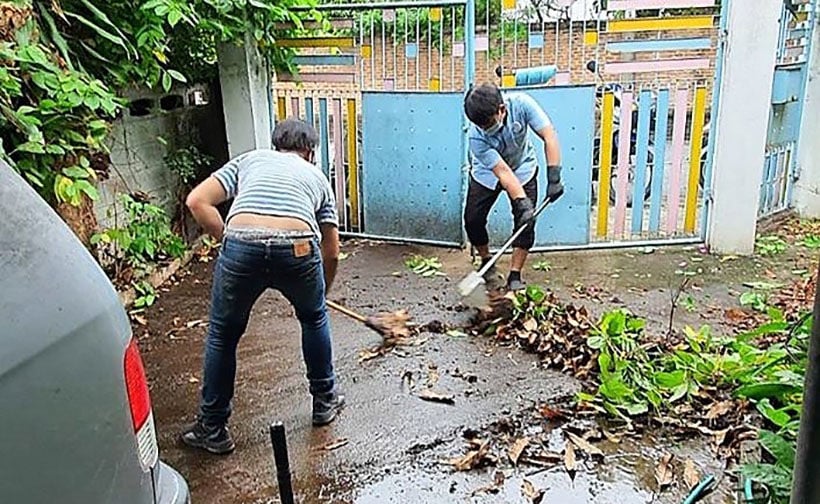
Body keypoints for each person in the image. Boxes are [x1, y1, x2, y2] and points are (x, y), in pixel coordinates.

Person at [180, 118, 344, 455]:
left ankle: (212, 428)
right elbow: (331, 250)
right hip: (298, 247)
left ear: (275, 146)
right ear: (310, 153)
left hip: (242, 244)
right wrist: (319, 294)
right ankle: (324, 401)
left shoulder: (250, 160)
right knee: (313, 320)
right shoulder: (317, 178)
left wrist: (232, 242)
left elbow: (197, 202)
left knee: (223, 335)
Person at [463, 83, 563, 291]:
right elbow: (502, 171)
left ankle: (515, 274)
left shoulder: (522, 104)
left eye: (488, 123)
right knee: (473, 220)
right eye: (480, 125)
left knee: (525, 224)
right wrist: (523, 203)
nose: (485, 129)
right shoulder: (476, 137)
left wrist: (554, 176)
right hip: (487, 173)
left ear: (501, 109)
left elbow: (549, 134)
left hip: (522, 167)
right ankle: (486, 261)